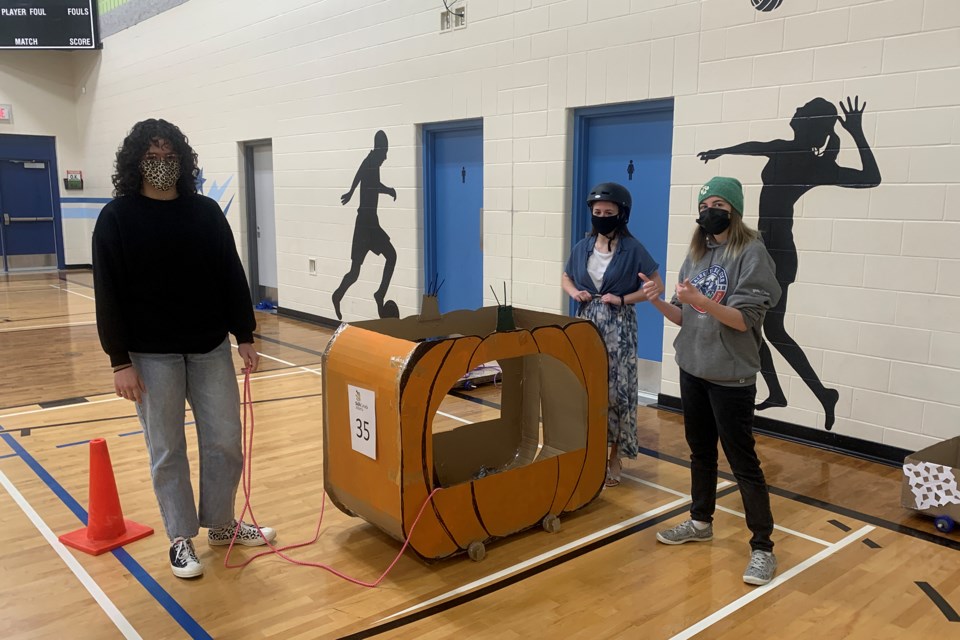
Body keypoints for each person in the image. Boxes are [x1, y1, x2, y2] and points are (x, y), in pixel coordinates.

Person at [92, 119, 277, 579]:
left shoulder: (206, 213)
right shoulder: (115, 218)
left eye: (168, 156)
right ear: (135, 163)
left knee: (225, 443)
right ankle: (180, 538)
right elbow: (107, 293)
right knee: (167, 449)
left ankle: (220, 524)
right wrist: (119, 361)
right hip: (150, 356)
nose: (161, 165)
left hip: (209, 347)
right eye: (151, 158)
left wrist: (245, 334)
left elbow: (231, 275)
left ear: (183, 161)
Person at [698, 96, 880, 430]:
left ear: (809, 123)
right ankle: (787, 393)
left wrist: (856, 132)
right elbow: (754, 145)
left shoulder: (812, 162)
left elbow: (871, 177)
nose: (794, 115)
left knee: (769, 329)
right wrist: (722, 150)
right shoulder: (794, 153)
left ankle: (821, 395)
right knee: (757, 327)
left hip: (777, 252)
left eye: (801, 113)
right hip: (764, 249)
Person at [644, 176, 781, 586]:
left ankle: (763, 548)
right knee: (700, 453)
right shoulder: (698, 252)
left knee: (743, 463)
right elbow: (684, 315)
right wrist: (656, 299)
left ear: (734, 210)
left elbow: (743, 321)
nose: (709, 211)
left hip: (731, 377)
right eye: (705, 204)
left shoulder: (751, 253)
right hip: (694, 369)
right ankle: (700, 521)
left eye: (718, 203)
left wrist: (702, 301)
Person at [562, 182, 663, 487]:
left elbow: (653, 287)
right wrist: (575, 292)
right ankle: (588, 452)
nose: (602, 216)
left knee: (617, 392)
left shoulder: (634, 249)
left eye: (608, 212)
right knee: (586, 388)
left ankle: (614, 457)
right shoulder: (583, 246)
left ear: (621, 214)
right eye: (597, 212)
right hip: (587, 322)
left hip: (619, 325)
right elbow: (566, 276)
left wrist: (622, 299)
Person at [332, 129, 398, 320]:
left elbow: (359, 174)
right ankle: (338, 295)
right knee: (355, 272)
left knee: (392, 256)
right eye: (385, 152)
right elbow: (372, 183)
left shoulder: (371, 161)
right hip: (364, 225)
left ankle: (379, 294)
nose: (386, 157)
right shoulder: (372, 162)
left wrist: (351, 191)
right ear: (379, 149)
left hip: (371, 224)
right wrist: (389, 190)